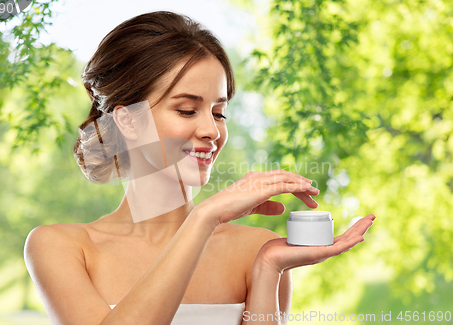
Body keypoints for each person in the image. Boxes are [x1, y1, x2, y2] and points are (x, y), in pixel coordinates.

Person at [23, 11, 376, 325]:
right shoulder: (61, 247)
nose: (211, 130)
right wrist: (204, 218)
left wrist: (269, 268)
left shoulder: (258, 251)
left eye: (219, 112)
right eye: (187, 110)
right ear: (129, 122)